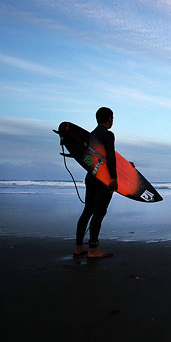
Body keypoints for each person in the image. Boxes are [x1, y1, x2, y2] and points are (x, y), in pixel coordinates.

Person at [73, 107, 118, 259]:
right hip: (103, 180)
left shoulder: (91, 135)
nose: (113, 121)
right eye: (112, 118)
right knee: (99, 213)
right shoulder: (108, 135)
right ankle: (93, 249)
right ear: (109, 119)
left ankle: (78, 247)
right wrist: (114, 178)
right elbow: (110, 157)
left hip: (91, 176)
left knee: (87, 211)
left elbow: (96, 158)